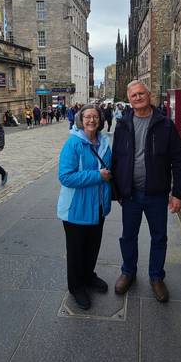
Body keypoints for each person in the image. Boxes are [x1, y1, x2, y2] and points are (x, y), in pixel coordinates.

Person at [112, 80, 181, 303]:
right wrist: (117, 190)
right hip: (131, 194)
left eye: (141, 93)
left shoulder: (164, 124)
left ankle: (156, 277)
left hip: (157, 194)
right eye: (133, 95)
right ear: (129, 99)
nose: (138, 98)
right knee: (128, 236)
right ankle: (128, 272)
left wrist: (178, 193)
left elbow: (179, 160)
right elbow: (117, 159)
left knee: (159, 237)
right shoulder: (123, 124)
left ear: (149, 94)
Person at [57, 104, 112, 310]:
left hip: (97, 205)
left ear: (100, 120)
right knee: (76, 250)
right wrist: (97, 176)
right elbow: (65, 176)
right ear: (81, 120)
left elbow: (110, 170)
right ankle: (76, 286)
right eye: (87, 117)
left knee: (92, 247)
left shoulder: (104, 143)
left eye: (95, 117)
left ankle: (88, 276)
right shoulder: (73, 144)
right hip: (76, 208)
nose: (91, 120)